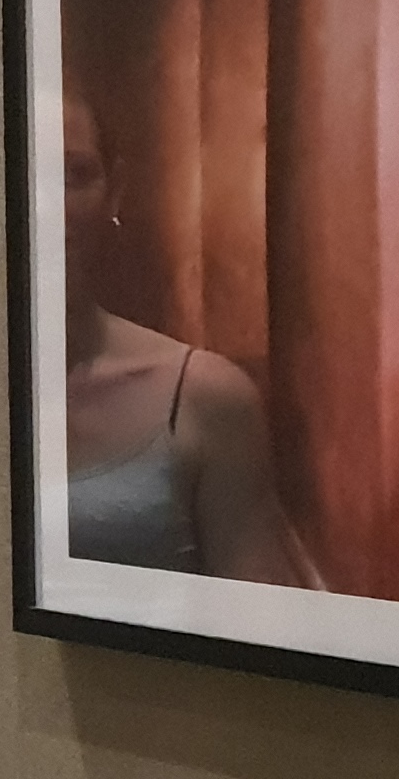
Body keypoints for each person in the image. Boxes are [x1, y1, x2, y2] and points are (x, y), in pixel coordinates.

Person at [58, 96, 321, 587]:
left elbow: (258, 610)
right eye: (19, 174)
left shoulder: (202, 396)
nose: (47, 205)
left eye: (74, 174)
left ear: (114, 192)